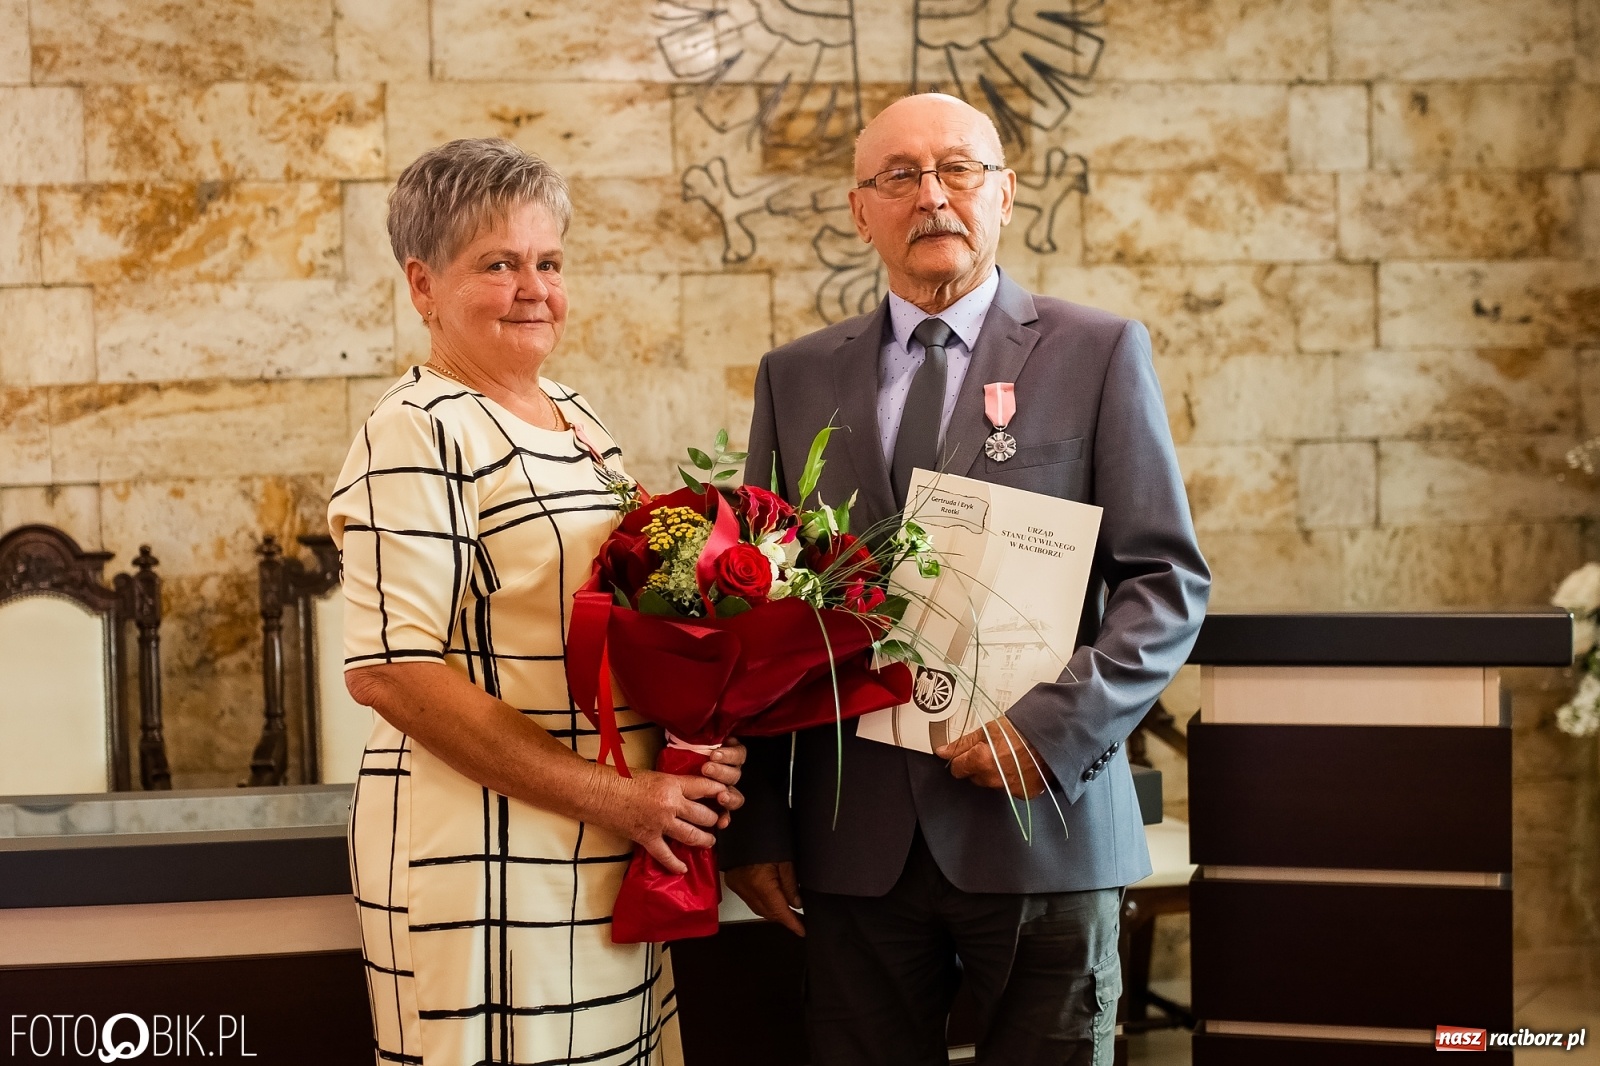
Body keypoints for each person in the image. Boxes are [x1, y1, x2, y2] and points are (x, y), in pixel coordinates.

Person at [719, 94, 1211, 1066]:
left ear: (1005, 194)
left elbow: (1167, 581)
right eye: (898, 175)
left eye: (958, 170)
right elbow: (759, 611)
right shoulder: (796, 377)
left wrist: (1050, 729)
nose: (931, 195)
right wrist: (758, 824)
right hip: (852, 844)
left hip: (1044, 825)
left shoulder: (1099, 351)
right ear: (860, 209)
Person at [329, 138, 744, 1066]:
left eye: (548, 262)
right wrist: (623, 796)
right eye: (498, 265)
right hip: (488, 854)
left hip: (612, 837)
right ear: (421, 283)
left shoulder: (575, 414)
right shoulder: (416, 431)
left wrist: (697, 734)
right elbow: (394, 675)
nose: (533, 288)